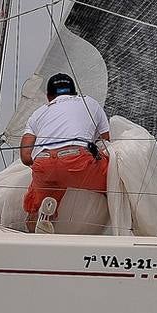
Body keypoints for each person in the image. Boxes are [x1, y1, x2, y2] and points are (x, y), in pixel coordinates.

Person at [18, 73, 110, 233]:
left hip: (43, 161)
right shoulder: (90, 103)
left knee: (40, 194)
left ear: (49, 96)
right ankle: (122, 226)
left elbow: (26, 157)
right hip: (76, 159)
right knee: (115, 179)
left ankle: (39, 217)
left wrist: (51, 167)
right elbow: (107, 142)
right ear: (74, 92)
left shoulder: (38, 113)